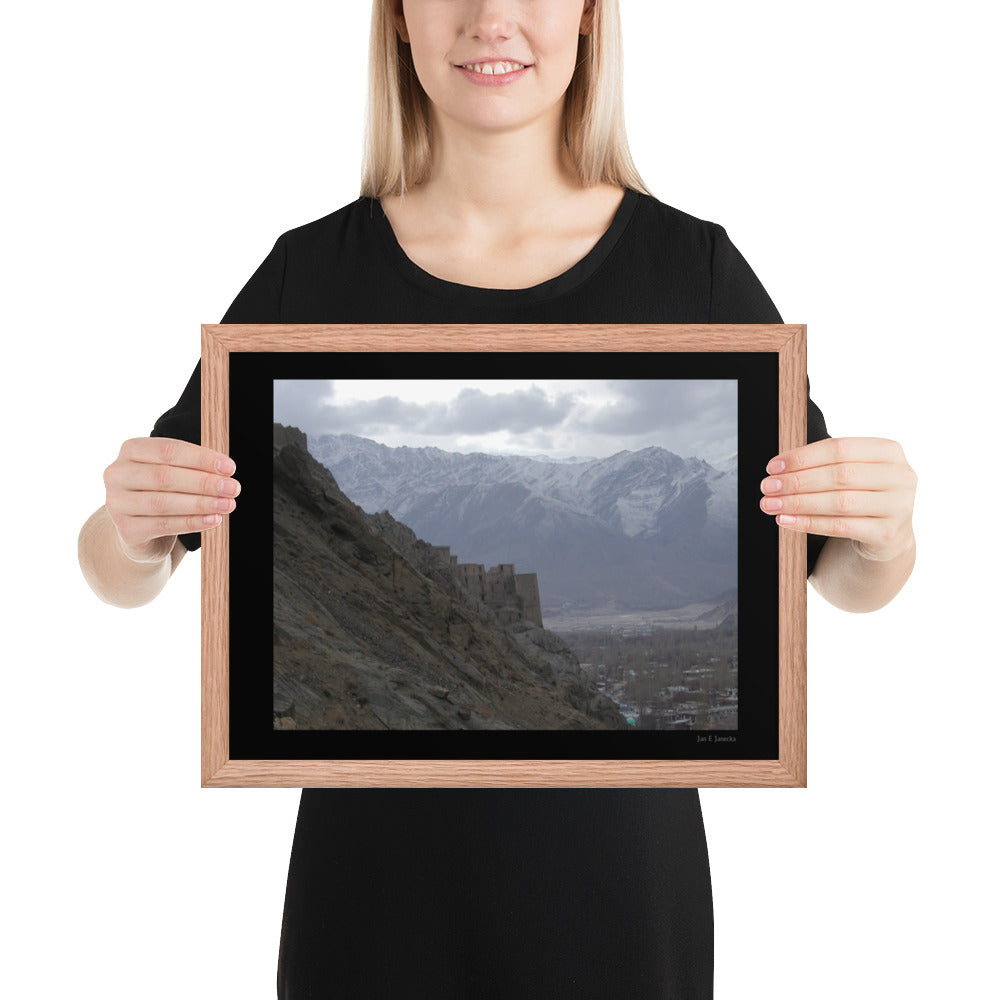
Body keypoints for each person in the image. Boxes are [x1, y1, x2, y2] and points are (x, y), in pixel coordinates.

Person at [78, 1, 917, 996]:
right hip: (372, 880)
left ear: (590, 18)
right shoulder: (311, 272)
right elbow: (124, 565)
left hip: (616, 879)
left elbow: (841, 576)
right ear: (396, 19)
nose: (491, 19)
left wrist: (884, 531)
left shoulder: (692, 271)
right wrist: (132, 530)